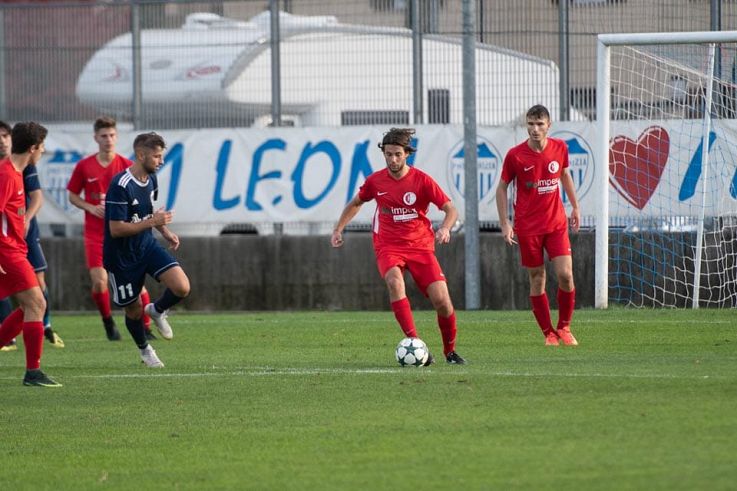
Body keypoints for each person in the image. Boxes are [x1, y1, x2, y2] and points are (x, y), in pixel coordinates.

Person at [331, 128, 465, 365]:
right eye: (388, 154)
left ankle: (450, 352)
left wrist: (445, 228)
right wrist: (338, 229)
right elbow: (356, 203)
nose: (392, 159)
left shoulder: (422, 180)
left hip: (420, 246)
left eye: (397, 154)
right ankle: (416, 345)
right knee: (394, 282)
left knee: (442, 302)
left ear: (407, 154)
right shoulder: (375, 181)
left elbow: (450, 209)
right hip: (388, 245)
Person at [495, 104, 580, 346]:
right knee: (537, 278)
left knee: (565, 274)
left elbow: (564, 175)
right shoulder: (515, 155)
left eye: (540, 124)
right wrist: (505, 222)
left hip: (556, 224)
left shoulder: (560, 148)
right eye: (531, 124)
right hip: (528, 227)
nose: (535, 129)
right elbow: (501, 188)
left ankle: (564, 327)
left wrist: (575, 206)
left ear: (548, 125)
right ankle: (548, 333)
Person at [103, 132, 190, 367]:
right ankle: (145, 350)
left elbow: (148, 213)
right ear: (141, 155)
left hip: (146, 246)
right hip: (121, 257)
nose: (161, 161)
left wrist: (165, 231)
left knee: (181, 286)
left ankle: (157, 310)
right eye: (157, 156)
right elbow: (116, 229)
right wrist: (153, 222)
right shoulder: (120, 185)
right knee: (133, 310)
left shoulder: (151, 179)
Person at [67, 116, 154, 341]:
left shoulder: (126, 165)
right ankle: (108, 323)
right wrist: (90, 207)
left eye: (112, 135)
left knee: (137, 283)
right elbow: (72, 195)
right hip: (95, 234)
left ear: (117, 137)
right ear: (96, 138)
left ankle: (146, 327)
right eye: (104, 136)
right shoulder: (84, 166)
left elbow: (140, 196)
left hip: (122, 234)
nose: (108, 139)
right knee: (99, 282)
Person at [0, 121, 61, 386]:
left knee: (31, 306)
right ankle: (32, 372)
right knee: (37, 303)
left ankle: (32, 371)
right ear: (33, 148)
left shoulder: (16, 173)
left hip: (15, 250)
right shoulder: (6, 175)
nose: (43, 151)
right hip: (6, 253)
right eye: (42, 146)